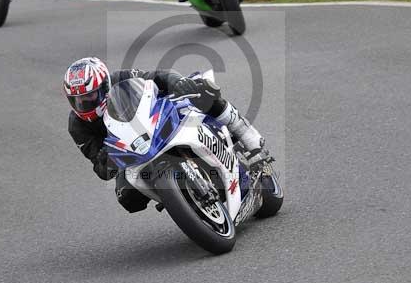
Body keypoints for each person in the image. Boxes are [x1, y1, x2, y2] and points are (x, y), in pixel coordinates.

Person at [63, 57, 263, 213]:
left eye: (89, 96)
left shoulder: (119, 79)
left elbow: (157, 76)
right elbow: (100, 169)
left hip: (158, 118)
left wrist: (179, 82)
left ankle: (248, 137)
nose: (84, 103)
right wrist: (105, 160)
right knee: (127, 197)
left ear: (104, 87)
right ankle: (180, 198)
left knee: (204, 90)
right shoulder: (77, 126)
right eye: (78, 100)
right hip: (130, 152)